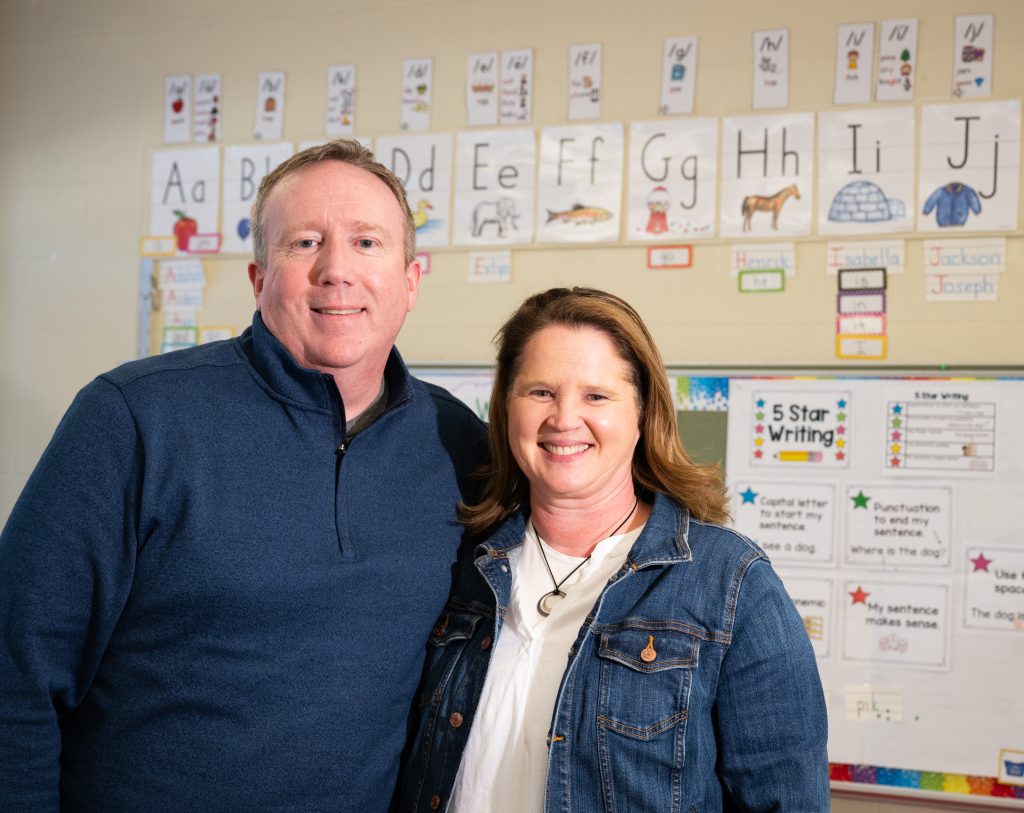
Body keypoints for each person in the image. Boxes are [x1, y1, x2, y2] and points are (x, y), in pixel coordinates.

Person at [0, 140, 488, 810]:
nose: (336, 270)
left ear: (411, 279)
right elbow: (15, 673)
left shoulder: (459, 443)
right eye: (305, 242)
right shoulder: (133, 418)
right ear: (259, 279)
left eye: (368, 242)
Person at [401, 287, 828, 812]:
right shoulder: (461, 563)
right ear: (505, 407)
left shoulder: (732, 584)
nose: (563, 418)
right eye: (540, 392)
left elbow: (787, 801)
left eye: (596, 396)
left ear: (644, 414)